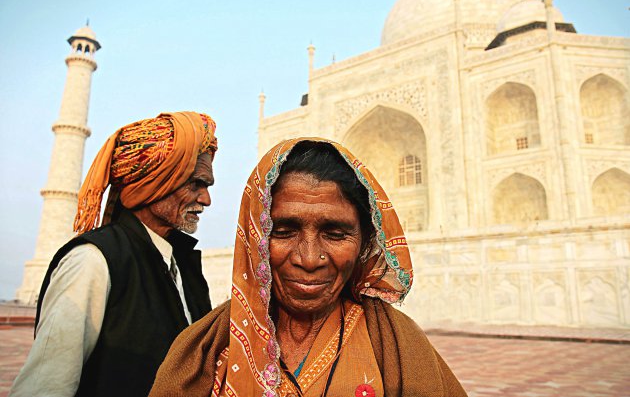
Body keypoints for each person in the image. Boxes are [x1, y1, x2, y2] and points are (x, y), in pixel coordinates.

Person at [149, 138, 467, 397]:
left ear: (365, 241)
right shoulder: (204, 349)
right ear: (255, 237)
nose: (309, 258)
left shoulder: (397, 345)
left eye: (335, 234)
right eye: (284, 231)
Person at [10, 111, 218, 397]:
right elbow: (46, 387)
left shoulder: (182, 263)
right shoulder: (93, 261)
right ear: (154, 181)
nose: (206, 199)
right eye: (196, 184)